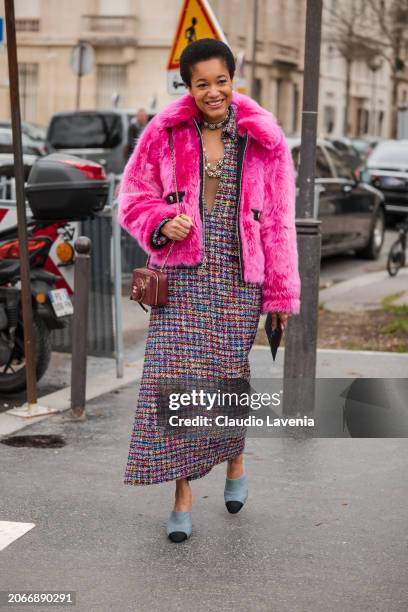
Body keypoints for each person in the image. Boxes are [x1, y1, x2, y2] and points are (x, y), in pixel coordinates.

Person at [117, 38, 301, 543]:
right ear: (188, 86)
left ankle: (234, 456)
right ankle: (181, 494)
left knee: (226, 376)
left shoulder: (263, 138)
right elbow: (132, 198)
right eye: (203, 84)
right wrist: (160, 223)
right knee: (174, 381)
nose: (214, 91)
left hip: (240, 277)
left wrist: (281, 297)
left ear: (233, 78)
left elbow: (279, 222)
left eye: (222, 81)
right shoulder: (166, 131)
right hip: (181, 278)